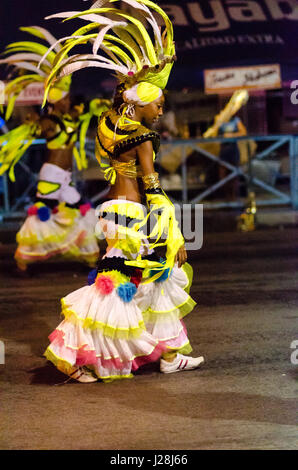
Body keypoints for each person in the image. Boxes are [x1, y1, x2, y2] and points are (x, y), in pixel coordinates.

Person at [42, 0, 204, 383]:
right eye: (159, 104)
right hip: (132, 212)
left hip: (113, 207)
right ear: (143, 103)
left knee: (158, 277)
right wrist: (173, 231)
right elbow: (152, 186)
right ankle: (82, 357)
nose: (161, 111)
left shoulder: (107, 124)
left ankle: (169, 354)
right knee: (114, 284)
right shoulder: (144, 138)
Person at [0, 26, 111, 270]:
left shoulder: (72, 117)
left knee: (79, 209)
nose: (68, 100)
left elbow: (88, 112)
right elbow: (37, 126)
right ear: (55, 101)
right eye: (64, 98)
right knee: (42, 213)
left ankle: (87, 253)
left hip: (65, 178)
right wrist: (32, 122)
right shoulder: (49, 122)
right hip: (50, 176)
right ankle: (25, 256)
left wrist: (97, 106)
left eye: (68, 97)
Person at [218, 116, 247, 200]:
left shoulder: (236, 120)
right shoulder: (220, 118)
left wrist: (231, 135)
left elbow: (243, 132)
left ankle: (234, 196)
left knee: (234, 174)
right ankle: (226, 196)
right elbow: (214, 132)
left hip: (233, 148)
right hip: (223, 148)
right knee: (223, 174)